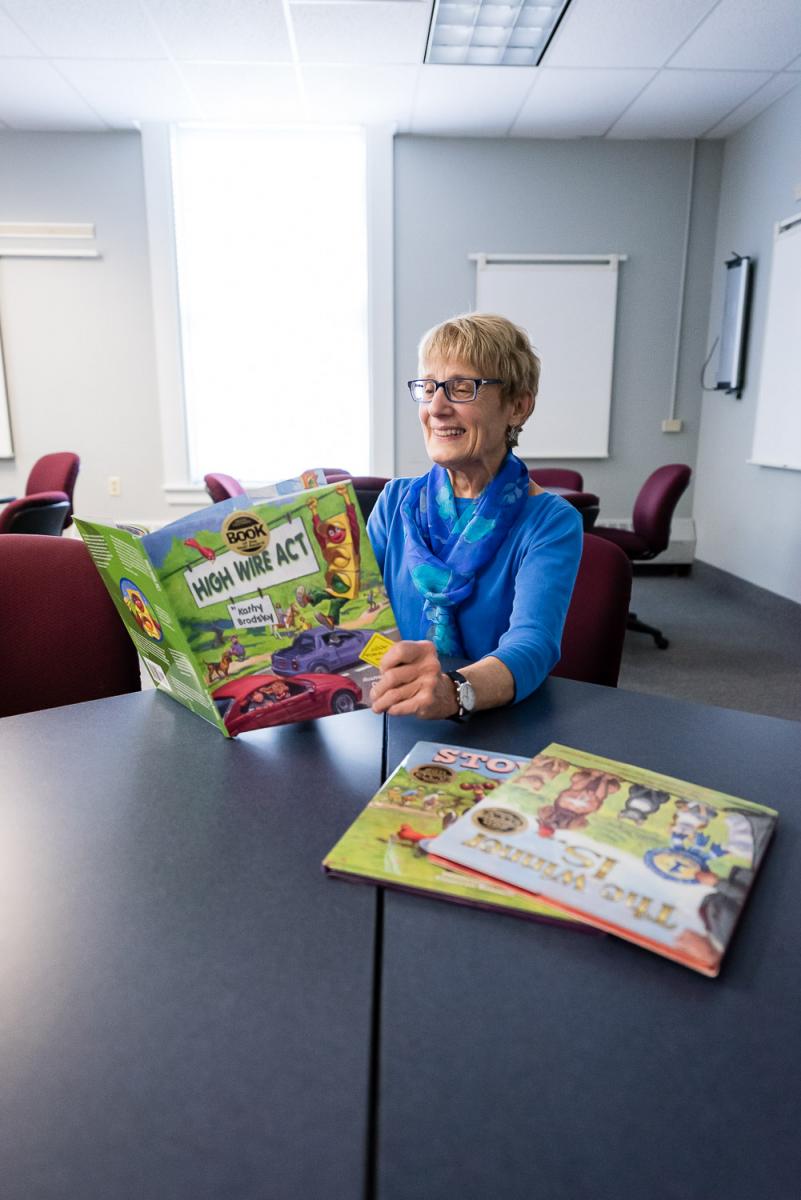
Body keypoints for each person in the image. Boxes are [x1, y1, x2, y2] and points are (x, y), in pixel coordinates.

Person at [367, 312, 582, 721]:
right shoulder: (393, 502)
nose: (437, 407)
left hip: (491, 723)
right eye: (428, 388)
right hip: (390, 714)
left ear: (517, 407)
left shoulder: (550, 522)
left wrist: (453, 692)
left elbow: (532, 644)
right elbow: (357, 621)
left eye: (461, 388)